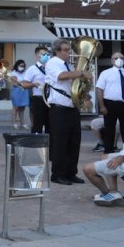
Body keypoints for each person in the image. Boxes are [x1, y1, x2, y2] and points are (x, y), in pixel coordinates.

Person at [45, 38, 90, 186]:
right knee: (60, 143)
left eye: (68, 49)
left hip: (72, 107)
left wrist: (85, 90)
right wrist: (81, 73)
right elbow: (61, 76)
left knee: (74, 142)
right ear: (57, 51)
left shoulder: (69, 66)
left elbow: (74, 84)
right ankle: (58, 174)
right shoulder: (53, 63)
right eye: (65, 50)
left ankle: (71, 173)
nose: (68, 52)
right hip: (59, 108)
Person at [95, 52, 124, 154]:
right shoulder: (105, 73)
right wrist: (102, 106)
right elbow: (99, 89)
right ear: (111, 60)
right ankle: (108, 151)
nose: (119, 60)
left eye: (121, 58)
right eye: (116, 58)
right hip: (109, 104)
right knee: (109, 129)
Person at [21, 46, 50, 134]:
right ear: (37, 56)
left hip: (50, 99)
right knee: (38, 123)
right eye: (42, 54)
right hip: (38, 98)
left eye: (47, 54)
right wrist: (33, 84)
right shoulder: (32, 69)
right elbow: (23, 84)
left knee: (50, 124)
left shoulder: (50, 68)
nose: (45, 56)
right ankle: (35, 143)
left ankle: (49, 144)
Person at [9, 60, 29, 129]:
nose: (22, 67)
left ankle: (22, 123)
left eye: (23, 66)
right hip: (16, 91)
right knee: (15, 107)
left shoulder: (25, 73)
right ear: (17, 66)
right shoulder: (13, 73)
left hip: (24, 91)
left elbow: (28, 81)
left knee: (22, 108)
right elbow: (15, 83)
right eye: (20, 66)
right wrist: (23, 82)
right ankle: (14, 123)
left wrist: (22, 82)